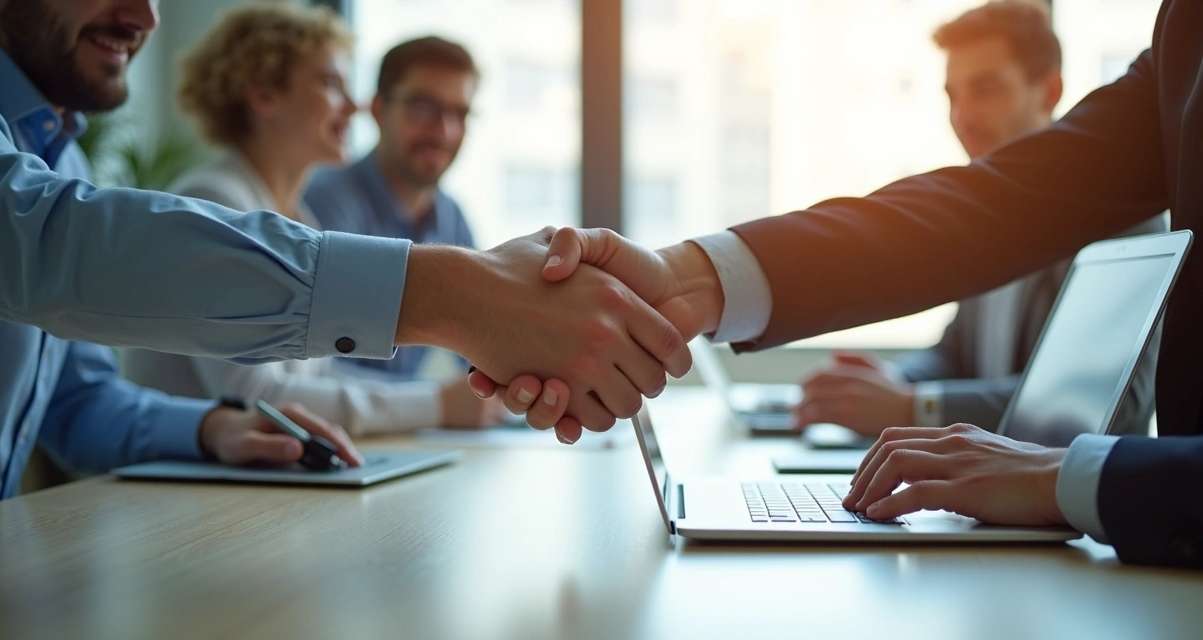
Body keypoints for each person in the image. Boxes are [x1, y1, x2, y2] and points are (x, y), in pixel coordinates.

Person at [474, 0, 1203, 569]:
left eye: (984, 89)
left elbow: (1098, 413)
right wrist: (691, 278)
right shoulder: (1183, 29)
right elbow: (994, 206)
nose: (965, 116)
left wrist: (1056, 479)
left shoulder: (1126, 226)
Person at [0, 0, 691, 502]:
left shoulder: (65, 163)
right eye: (331, 83)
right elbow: (37, 241)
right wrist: (453, 299)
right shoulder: (208, 196)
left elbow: (77, 406)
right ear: (263, 93)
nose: (145, 16)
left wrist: (212, 431)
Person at [122, 5, 503, 434]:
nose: (354, 106)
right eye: (330, 84)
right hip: (175, 490)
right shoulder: (215, 202)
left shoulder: (298, 217)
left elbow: (318, 375)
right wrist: (433, 403)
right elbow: (251, 395)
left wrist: (439, 400)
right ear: (265, 95)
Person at [794, 0, 1164, 437]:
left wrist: (916, 407)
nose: (963, 117)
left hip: (1064, 501)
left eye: (986, 90)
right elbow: (956, 352)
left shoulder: (1114, 211)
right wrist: (891, 383)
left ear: (1048, 91)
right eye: (953, 95)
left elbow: (1104, 402)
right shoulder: (987, 218)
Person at [304, 36, 479, 385]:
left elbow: (475, 350)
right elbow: (309, 371)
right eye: (424, 108)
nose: (444, 131)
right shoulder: (327, 204)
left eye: (459, 114)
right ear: (378, 110)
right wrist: (433, 402)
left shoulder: (452, 218)